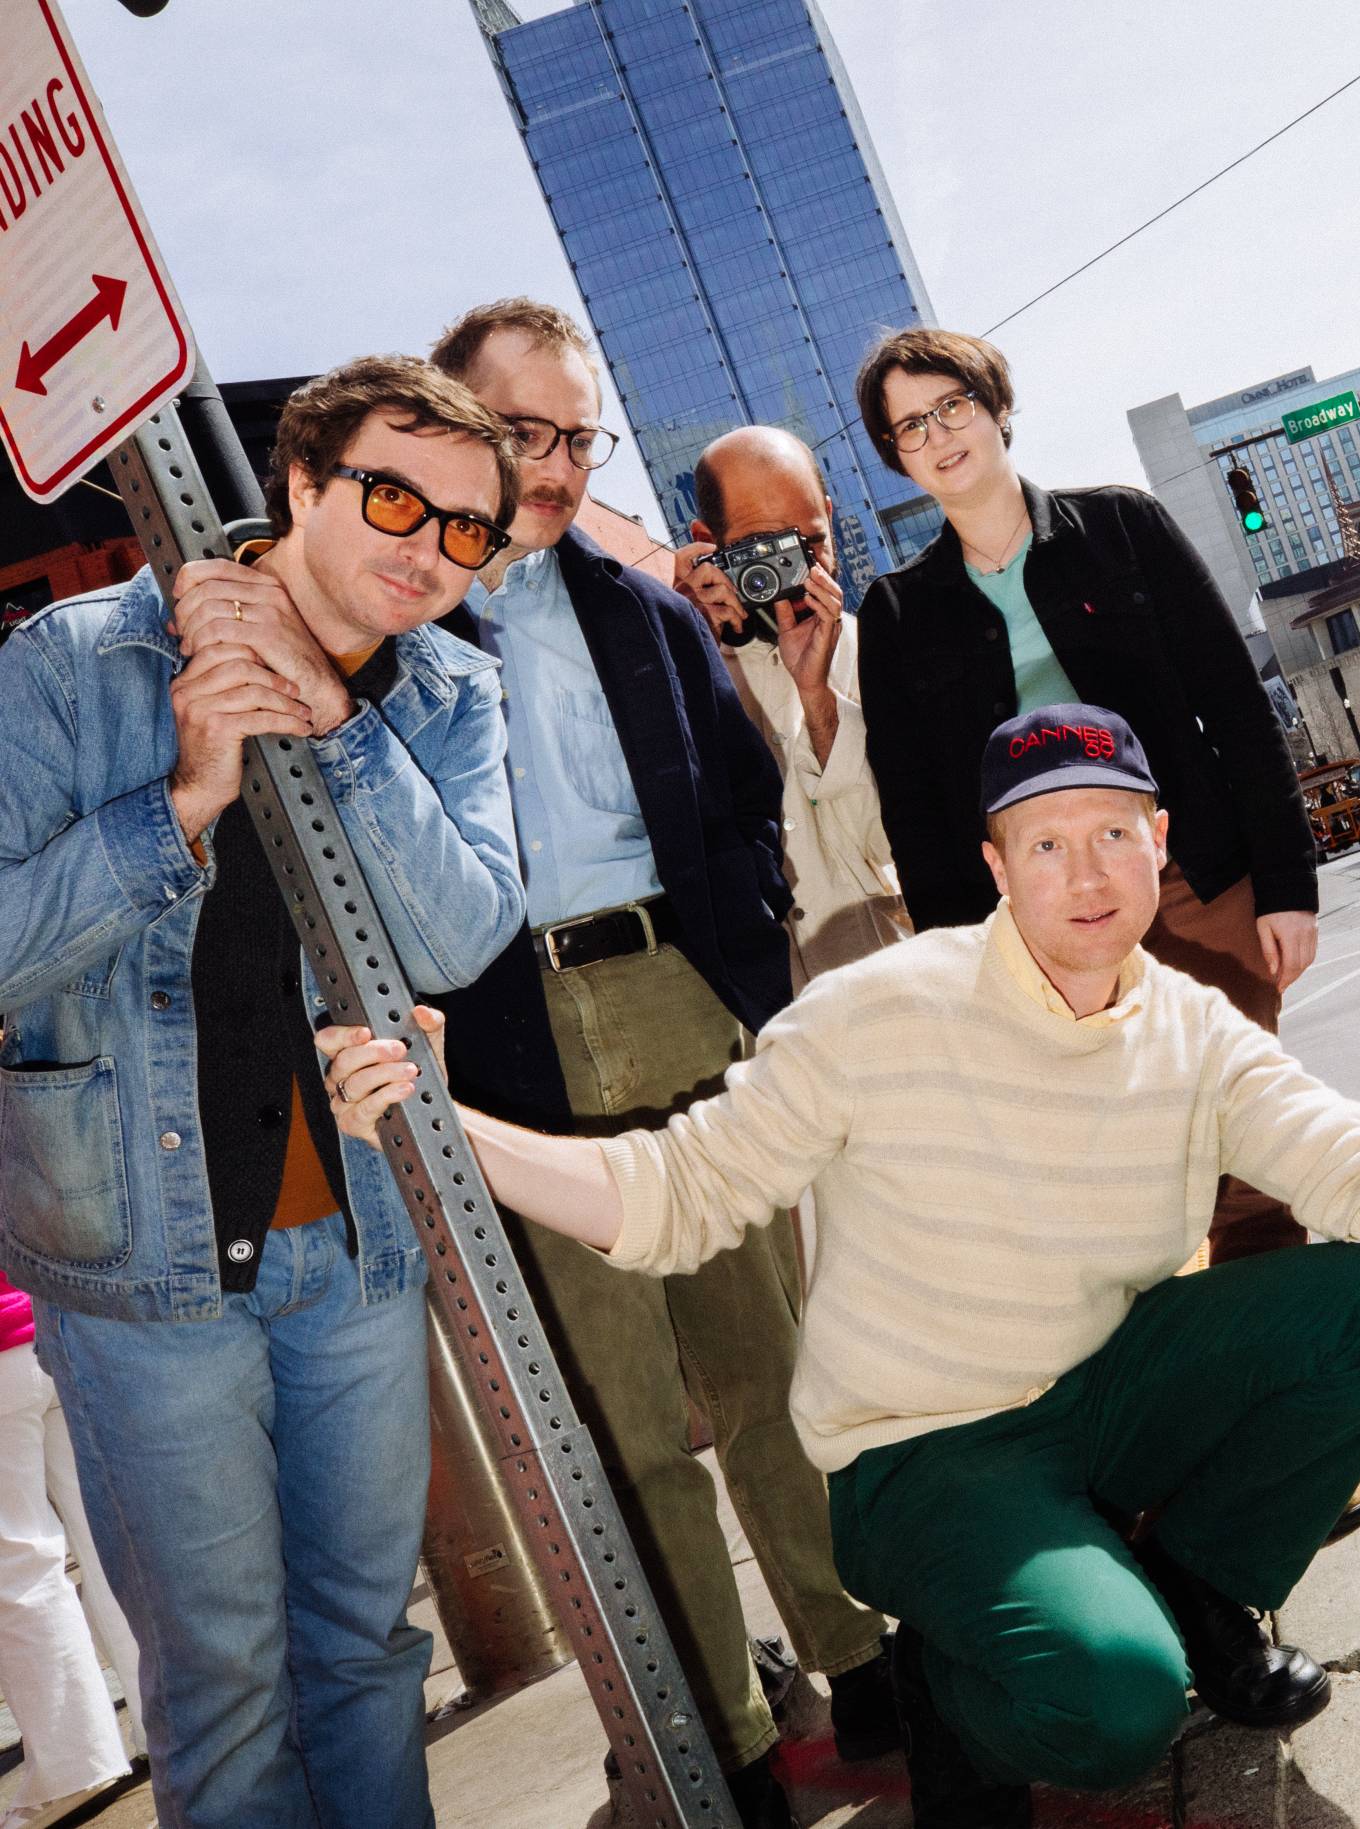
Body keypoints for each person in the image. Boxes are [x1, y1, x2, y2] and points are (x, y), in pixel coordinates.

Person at [315, 702, 1360, 1829]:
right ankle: (960, 1679)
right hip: (925, 1455)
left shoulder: (1191, 1031)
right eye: (1048, 840)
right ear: (997, 865)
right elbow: (671, 1191)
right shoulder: (880, 1010)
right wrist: (445, 1120)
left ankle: (1197, 1584)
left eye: (1116, 829)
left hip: (1098, 1397)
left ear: (1158, 842)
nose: (1088, 869)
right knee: (1113, 1710)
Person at [0, 355, 527, 1829]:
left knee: (365, 1652)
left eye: (468, 528)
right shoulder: (72, 663)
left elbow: (462, 933)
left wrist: (336, 732)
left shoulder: (445, 689)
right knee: (223, 1684)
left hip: (353, 1241)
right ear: (298, 482)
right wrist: (179, 804)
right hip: (135, 1254)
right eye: (392, 496)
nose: (428, 546)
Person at [426, 300, 890, 1825]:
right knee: (629, 1428)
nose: (557, 467)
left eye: (579, 436)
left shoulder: (646, 610)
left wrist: (744, 954)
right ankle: (731, 1733)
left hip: (685, 1005)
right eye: (528, 433)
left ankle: (858, 1652)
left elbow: (749, 793)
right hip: (514, 1052)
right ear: (458, 424)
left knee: (768, 1367)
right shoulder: (401, 626)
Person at [851, 328, 1317, 1270]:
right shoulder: (899, 616)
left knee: (1249, 1150)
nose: (939, 435)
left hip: (1190, 876)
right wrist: (967, 985)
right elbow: (921, 821)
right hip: (1042, 925)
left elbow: (1235, 703)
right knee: (1112, 1174)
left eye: (952, 406)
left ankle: (1286, 1381)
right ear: (895, 457)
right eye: (909, 427)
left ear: (996, 409)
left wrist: (1286, 883)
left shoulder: (1125, 528)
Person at [674, 426, 907, 986]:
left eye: (809, 542)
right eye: (764, 549)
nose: (793, 574)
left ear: (829, 514)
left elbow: (891, 845)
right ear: (709, 541)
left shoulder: (887, 647)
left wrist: (818, 697)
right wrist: (682, 649)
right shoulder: (681, 659)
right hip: (753, 1008)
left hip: (885, 978)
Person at [0, 1268, 144, 1829]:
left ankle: (73, 1766)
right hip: (57, 1323)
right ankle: (165, 1722)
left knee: (19, 1564)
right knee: (111, 1541)